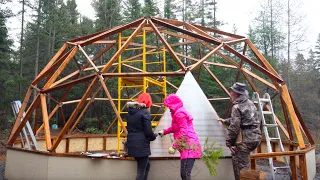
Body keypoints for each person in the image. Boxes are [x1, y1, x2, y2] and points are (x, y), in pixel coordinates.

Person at [218, 82, 261, 180]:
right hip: (255, 137)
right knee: (245, 162)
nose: (230, 93)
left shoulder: (236, 107)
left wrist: (229, 142)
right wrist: (225, 121)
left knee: (241, 168)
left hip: (245, 139)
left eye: (231, 91)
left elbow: (235, 126)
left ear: (236, 94)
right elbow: (246, 120)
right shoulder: (250, 103)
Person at [158, 94, 202, 180]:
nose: (169, 109)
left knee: (185, 174)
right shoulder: (177, 113)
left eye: (169, 107)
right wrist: (165, 131)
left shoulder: (179, 114)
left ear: (173, 105)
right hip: (186, 146)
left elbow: (184, 132)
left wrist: (174, 146)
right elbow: (176, 128)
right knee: (185, 175)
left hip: (189, 146)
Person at [126, 93, 157, 180]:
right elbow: (148, 132)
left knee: (146, 165)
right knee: (141, 171)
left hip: (132, 143)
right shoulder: (144, 113)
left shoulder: (130, 113)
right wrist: (153, 136)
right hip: (141, 145)